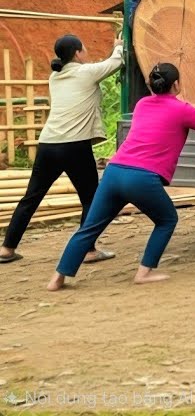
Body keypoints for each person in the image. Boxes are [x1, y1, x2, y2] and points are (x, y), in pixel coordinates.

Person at [47, 63, 195, 291]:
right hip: (142, 178)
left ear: (150, 85)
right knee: (167, 220)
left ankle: (57, 278)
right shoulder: (182, 109)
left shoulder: (142, 104)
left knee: (90, 227)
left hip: (114, 172)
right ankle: (144, 273)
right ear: (176, 84)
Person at [1, 35, 123, 265]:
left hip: (48, 144)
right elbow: (115, 63)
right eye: (84, 49)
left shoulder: (55, 77)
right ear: (77, 53)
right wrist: (118, 47)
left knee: (31, 197)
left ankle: (7, 248)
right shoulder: (85, 73)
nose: (86, 52)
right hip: (75, 146)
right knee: (90, 198)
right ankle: (88, 250)